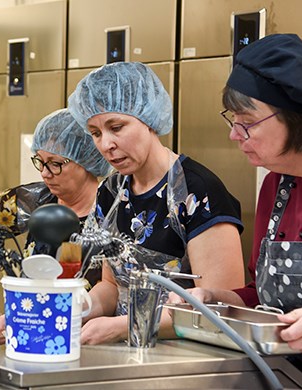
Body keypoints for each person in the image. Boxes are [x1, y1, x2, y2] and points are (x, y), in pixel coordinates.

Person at [167, 34, 302, 388]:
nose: (235, 135)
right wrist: (216, 300)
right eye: (231, 120)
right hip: (288, 377)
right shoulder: (276, 185)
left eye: (246, 121)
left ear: (296, 115)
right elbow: (264, 299)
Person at [67, 62, 246, 345]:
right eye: (96, 133)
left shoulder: (197, 191)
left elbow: (220, 310)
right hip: (125, 353)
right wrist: (78, 308)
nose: (106, 144)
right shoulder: (111, 192)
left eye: (116, 127)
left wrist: (122, 326)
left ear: (148, 119)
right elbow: (112, 286)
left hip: (188, 357)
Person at [0, 108, 110, 350]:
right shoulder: (37, 199)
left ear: (87, 162)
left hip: (86, 346)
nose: (44, 173)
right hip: (28, 341)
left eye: (55, 164)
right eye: (40, 161)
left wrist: (22, 321)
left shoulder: (111, 213)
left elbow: (109, 296)